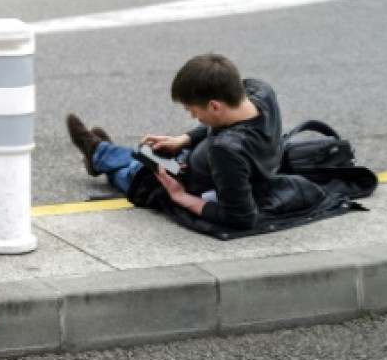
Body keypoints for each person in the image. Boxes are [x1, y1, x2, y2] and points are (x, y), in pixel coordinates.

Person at [64, 54, 283, 232]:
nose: (193, 117)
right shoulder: (260, 92)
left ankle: (98, 153)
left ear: (215, 107)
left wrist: (181, 197)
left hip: (179, 182)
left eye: (193, 111)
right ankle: (100, 154)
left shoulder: (226, 151)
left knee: (136, 174)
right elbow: (225, 123)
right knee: (149, 154)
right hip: (186, 163)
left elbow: (240, 217)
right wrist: (185, 139)